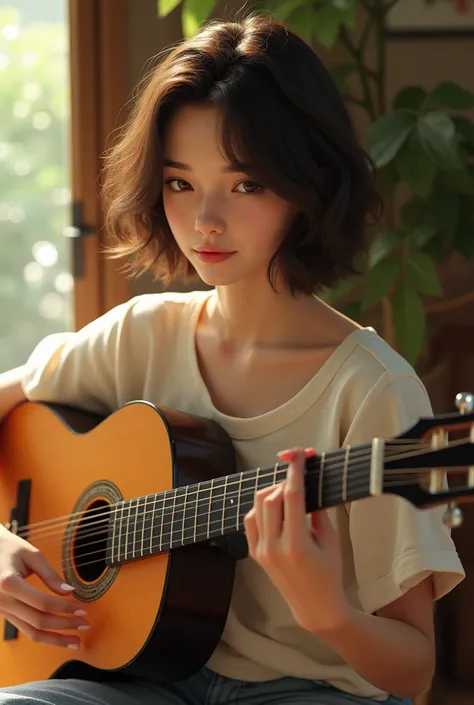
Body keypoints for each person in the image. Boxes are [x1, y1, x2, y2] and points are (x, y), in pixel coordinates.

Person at [0, 12, 465, 705]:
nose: (205, 221)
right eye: (180, 183)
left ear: (306, 186)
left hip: (311, 689)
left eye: (245, 184)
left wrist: (326, 612)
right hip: (140, 680)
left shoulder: (372, 390)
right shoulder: (141, 334)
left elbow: (414, 671)